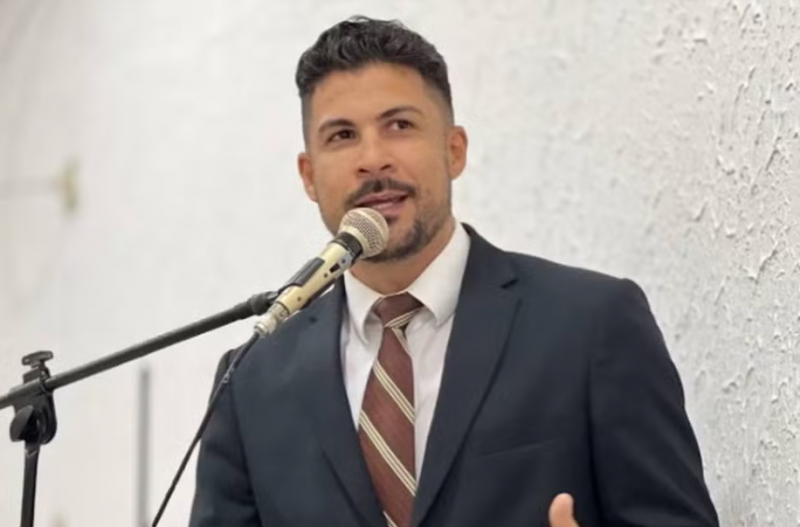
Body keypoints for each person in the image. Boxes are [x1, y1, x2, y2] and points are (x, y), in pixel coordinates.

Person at [189, 16, 719, 527]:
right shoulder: (251, 382)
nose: (373, 159)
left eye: (399, 126)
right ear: (309, 176)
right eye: (342, 135)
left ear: (454, 150)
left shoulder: (592, 325)